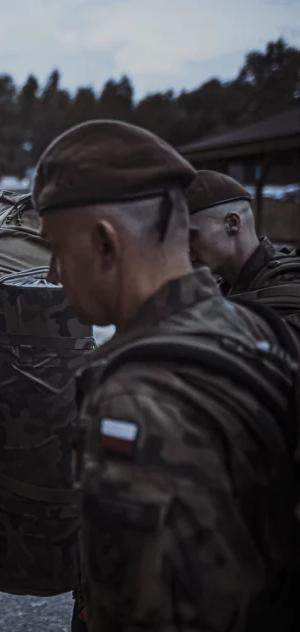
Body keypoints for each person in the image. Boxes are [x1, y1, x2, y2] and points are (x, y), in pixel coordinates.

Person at [33, 120, 296, 631]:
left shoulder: (138, 395)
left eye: (57, 248)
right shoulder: (254, 327)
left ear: (106, 244)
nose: (52, 274)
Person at [187, 169, 300, 305]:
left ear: (232, 223)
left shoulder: (288, 288)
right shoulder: (223, 287)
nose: (185, 249)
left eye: (191, 236)